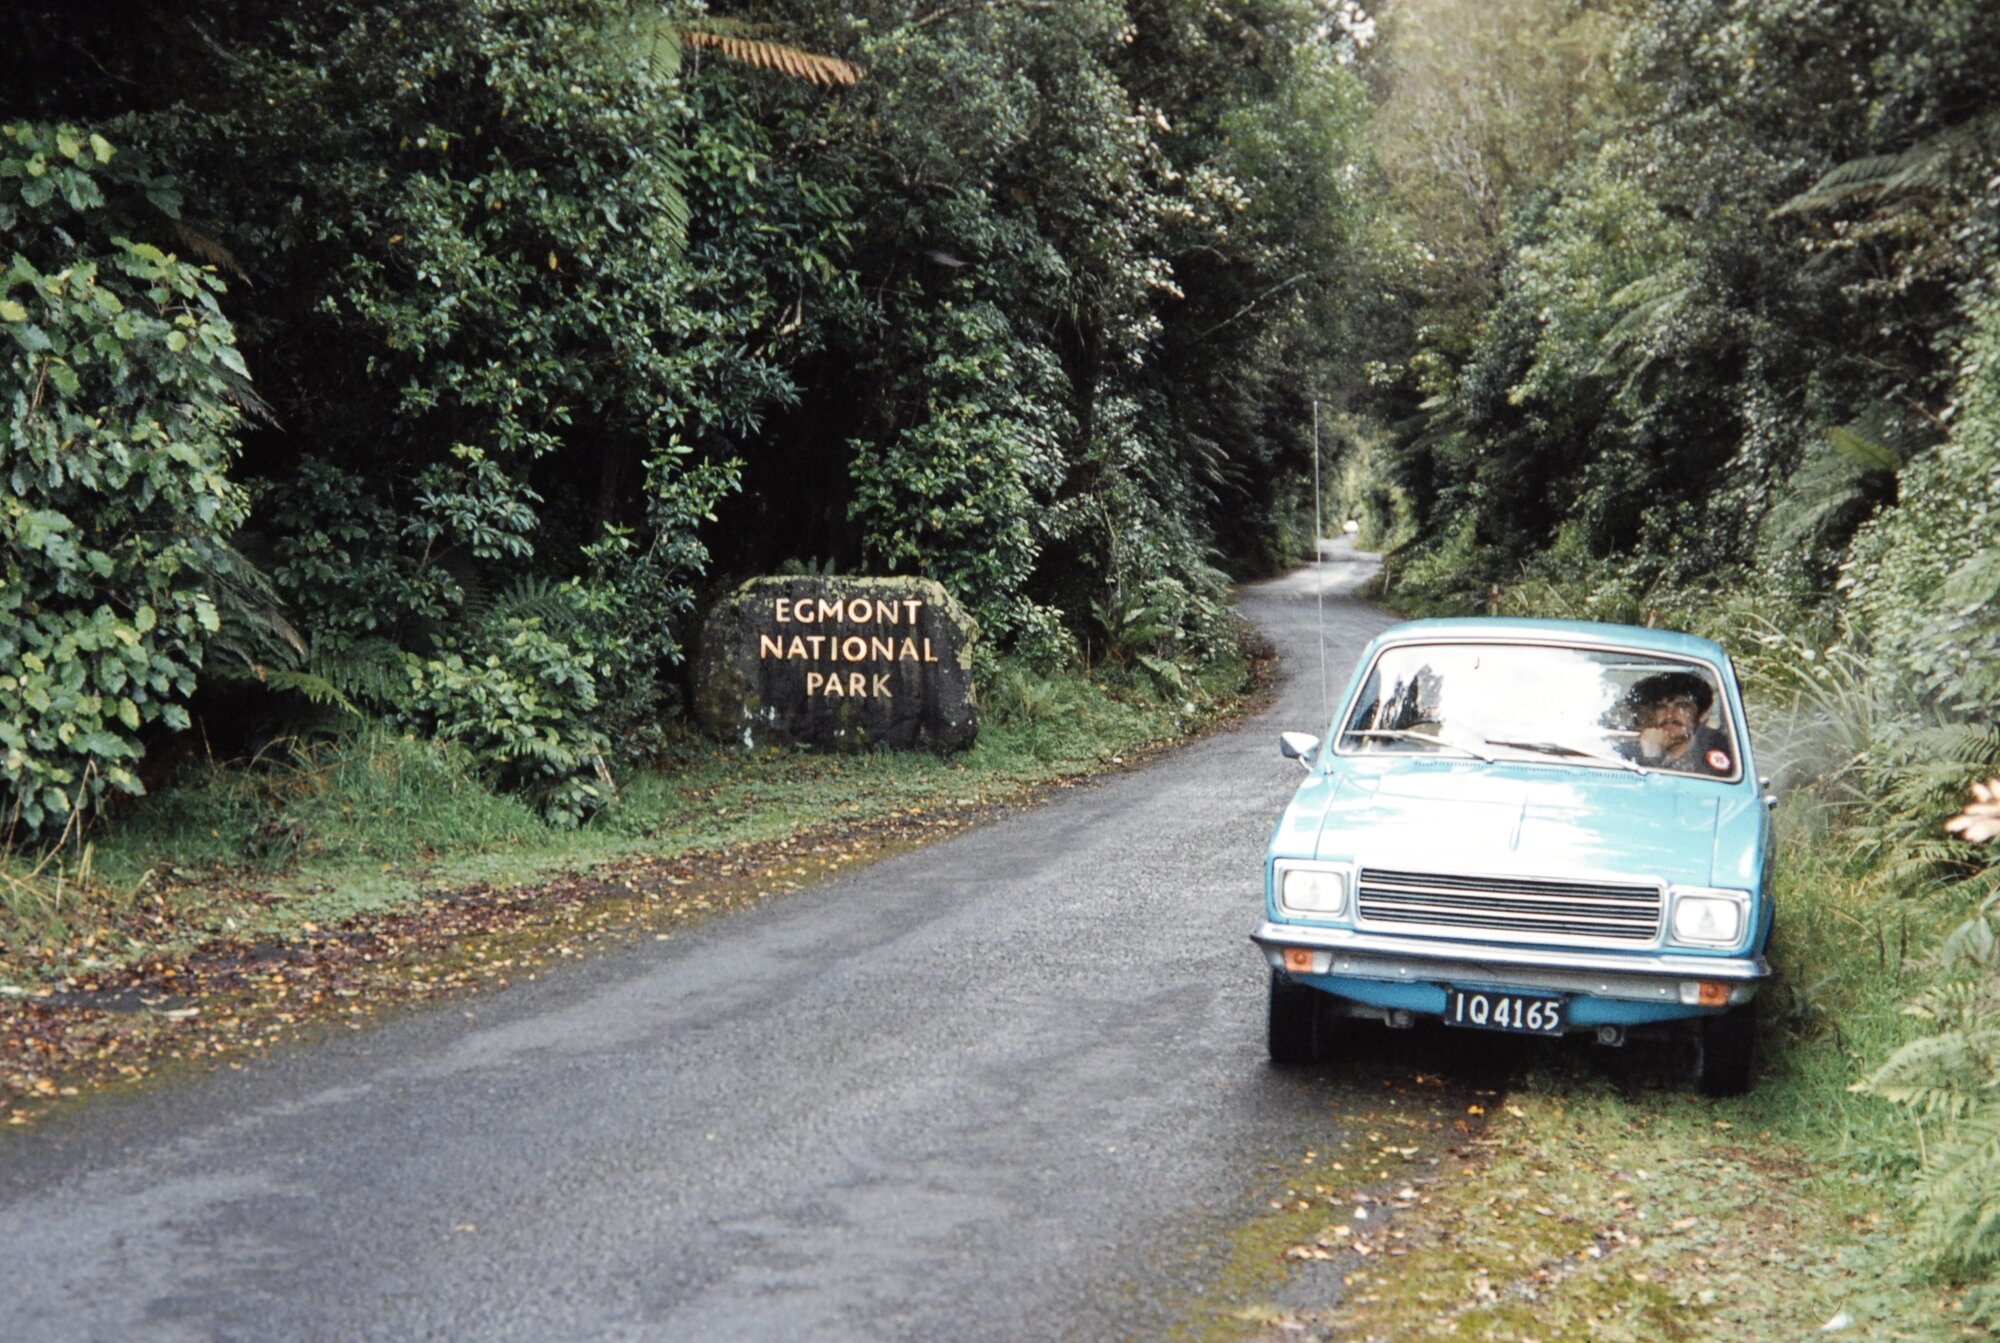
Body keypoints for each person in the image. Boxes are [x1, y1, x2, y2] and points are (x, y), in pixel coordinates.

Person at [1622, 671, 1735, 775]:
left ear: (1702, 715)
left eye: (1682, 706)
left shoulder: (1714, 753)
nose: (1669, 715)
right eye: (1662, 707)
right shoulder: (1632, 752)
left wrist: (1652, 758)